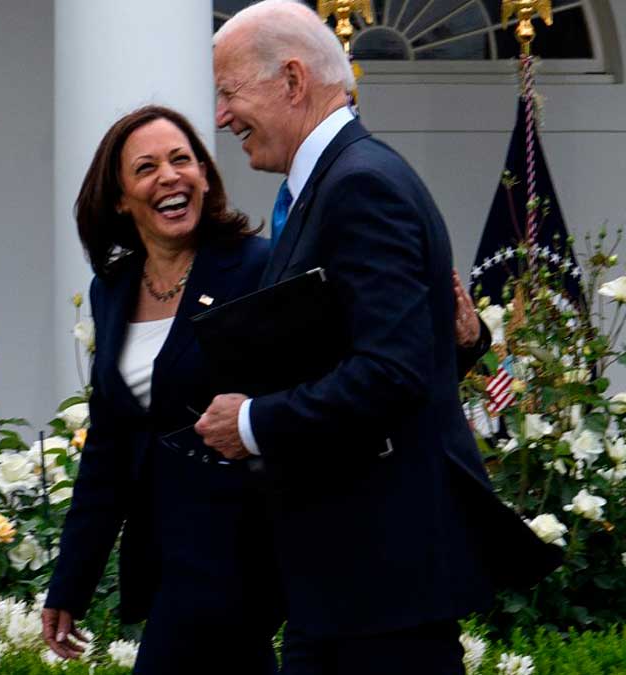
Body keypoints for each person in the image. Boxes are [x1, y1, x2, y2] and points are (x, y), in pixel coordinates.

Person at [201, 2, 562, 673]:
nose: (222, 116)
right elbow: (375, 354)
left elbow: (387, 374)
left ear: (291, 80)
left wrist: (250, 420)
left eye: (229, 93)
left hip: (381, 583)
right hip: (343, 582)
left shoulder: (362, 185)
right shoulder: (331, 185)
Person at [42, 105, 283, 674]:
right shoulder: (113, 290)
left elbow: (300, 387)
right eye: (146, 168)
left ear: (204, 174)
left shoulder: (257, 266)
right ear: (122, 198)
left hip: (240, 549)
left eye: (182, 159)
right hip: (165, 555)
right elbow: (108, 447)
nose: (169, 177)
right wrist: (70, 582)